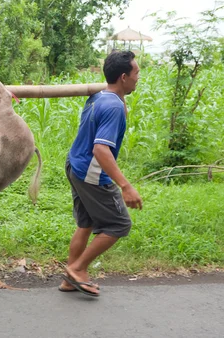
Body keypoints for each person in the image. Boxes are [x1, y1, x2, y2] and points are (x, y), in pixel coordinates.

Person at [60, 50, 143, 297]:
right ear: (124, 76)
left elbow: (116, 112)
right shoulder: (112, 106)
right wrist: (126, 186)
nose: (139, 77)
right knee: (119, 224)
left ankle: (69, 279)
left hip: (75, 164)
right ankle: (78, 269)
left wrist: (122, 94)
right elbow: (101, 149)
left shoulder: (100, 97)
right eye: (136, 73)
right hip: (92, 173)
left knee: (86, 223)